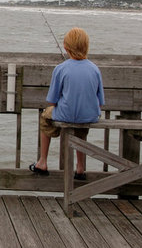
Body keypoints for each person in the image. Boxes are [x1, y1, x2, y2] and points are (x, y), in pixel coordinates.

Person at [30, 27, 105, 180]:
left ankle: (42, 161)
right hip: (90, 115)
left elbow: (52, 100)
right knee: (81, 132)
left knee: (45, 117)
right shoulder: (95, 69)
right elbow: (101, 101)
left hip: (66, 114)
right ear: (86, 46)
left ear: (65, 47)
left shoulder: (61, 69)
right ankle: (80, 167)